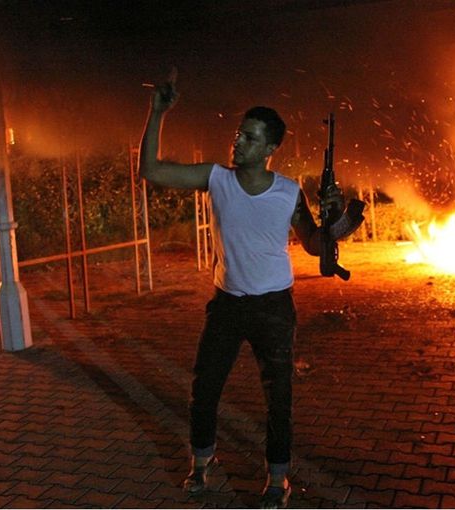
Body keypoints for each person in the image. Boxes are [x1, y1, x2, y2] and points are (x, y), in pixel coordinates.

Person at [139, 76, 344, 509]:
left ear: (270, 148)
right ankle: (201, 463)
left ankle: (277, 481)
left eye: (250, 138)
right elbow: (152, 171)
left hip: (274, 307)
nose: (238, 142)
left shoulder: (288, 192)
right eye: (238, 134)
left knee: (278, 399)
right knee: (204, 391)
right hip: (227, 305)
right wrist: (157, 113)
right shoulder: (217, 179)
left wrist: (337, 220)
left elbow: (314, 245)